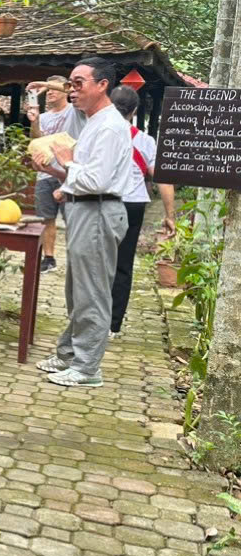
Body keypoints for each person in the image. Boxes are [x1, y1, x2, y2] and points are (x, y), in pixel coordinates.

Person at [33, 58, 131, 388]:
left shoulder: (108, 125)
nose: (72, 90)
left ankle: (88, 368)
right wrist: (54, 171)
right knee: (77, 292)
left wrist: (67, 161)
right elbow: (82, 175)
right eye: (70, 84)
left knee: (92, 294)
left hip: (99, 212)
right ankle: (69, 355)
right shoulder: (92, 122)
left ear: (102, 85)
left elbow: (97, 180)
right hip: (84, 210)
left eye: (78, 83)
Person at [108, 85, 175, 337]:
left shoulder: (98, 133)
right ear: (134, 110)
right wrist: (170, 215)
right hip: (133, 204)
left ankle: (91, 317)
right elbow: (162, 179)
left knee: (98, 262)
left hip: (105, 201)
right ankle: (113, 325)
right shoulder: (145, 141)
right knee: (123, 265)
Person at [24, 75, 86, 273]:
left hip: (68, 172)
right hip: (45, 172)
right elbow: (37, 138)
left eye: (53, 89)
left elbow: (72, 89)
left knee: (73, 218)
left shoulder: (74, 111)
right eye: (48, 90)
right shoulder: (46, 115)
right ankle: (48, 258)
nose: (49, 92)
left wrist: (42, 84)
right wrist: (34, 121)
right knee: (46, 218)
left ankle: (75, 259)